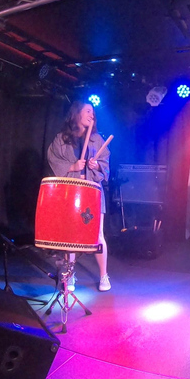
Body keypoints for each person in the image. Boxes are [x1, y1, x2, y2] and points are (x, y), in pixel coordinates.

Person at [47, 100, 112, 292]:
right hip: (72, 191)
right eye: (87, 111)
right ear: (76, 114)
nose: (92, 114)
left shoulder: (97, 139)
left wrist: (96, 165)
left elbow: (105, 162)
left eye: (93, 112)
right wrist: (72, 167)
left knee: (98, 234)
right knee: (71, 234)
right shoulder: (61, 138)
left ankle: (103, 275)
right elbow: (53, 159)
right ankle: (71, 273)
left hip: (92, 190)